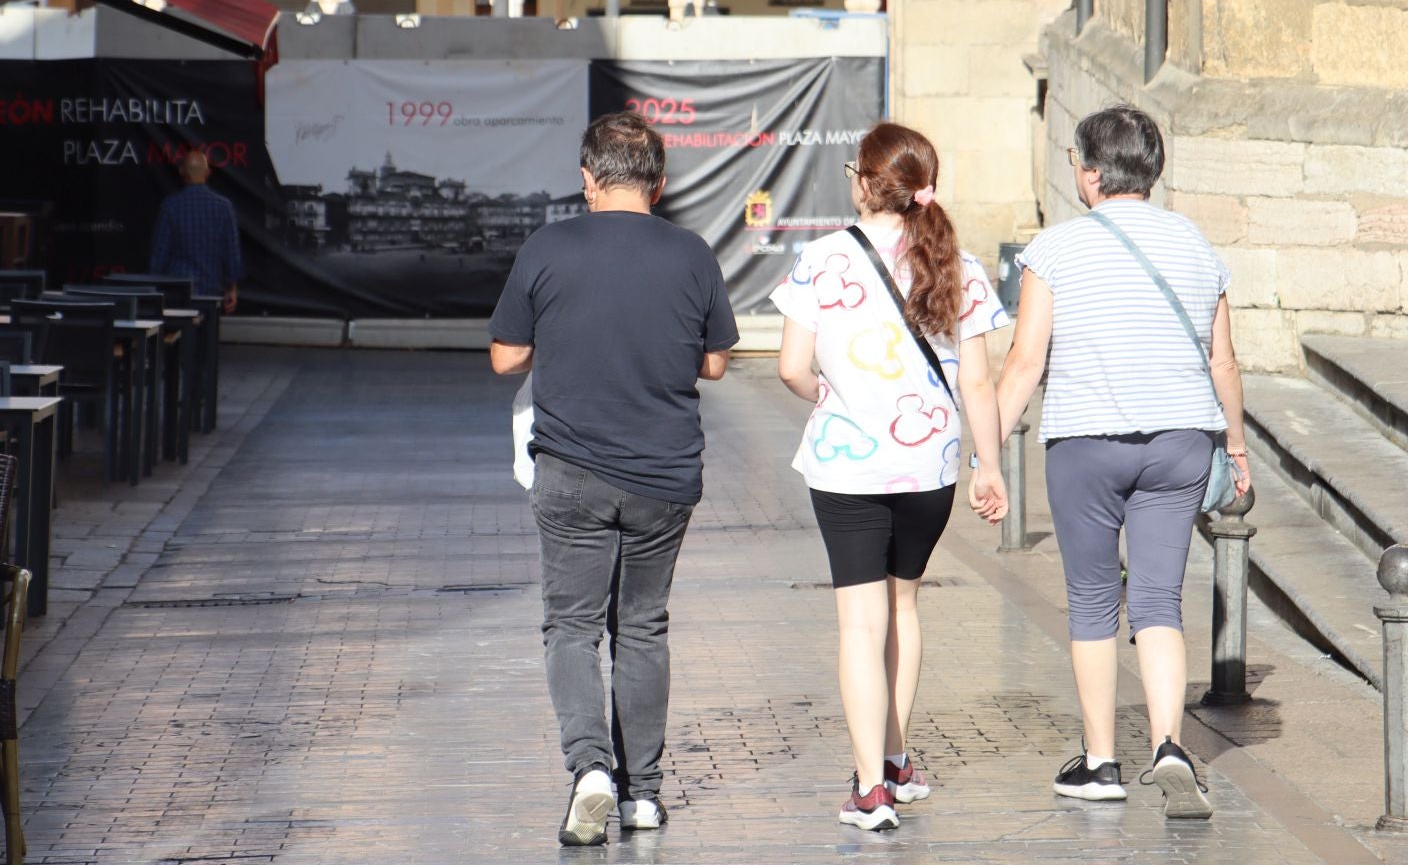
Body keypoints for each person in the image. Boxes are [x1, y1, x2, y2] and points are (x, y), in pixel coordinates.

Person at [994, 105, 1251, 819]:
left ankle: (1101, 761)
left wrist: (984, 452)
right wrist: (1235, 444)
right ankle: (1169, 744)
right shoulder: (1197, 245)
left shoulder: (1055, 248)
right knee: (1160, 600)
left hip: (1086, 443)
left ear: (1091, 173)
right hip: (1181, 443)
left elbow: (1024, 362)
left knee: (1092, 601)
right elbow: (1223, 361)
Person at [489, 111, 738, 846]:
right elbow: (717, 361)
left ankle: (591, 769)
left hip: (570, 470)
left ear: (587, 178)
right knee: (643, 627)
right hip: (664, 473)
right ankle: (645, 796)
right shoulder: (691, 253)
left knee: (571, 626)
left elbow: (506, 358)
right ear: (659, 185)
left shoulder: (548, 246)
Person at [771, 122, 1008, 833]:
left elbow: (789, 367)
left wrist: (829, 396)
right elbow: (979, 381)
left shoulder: (821, 258)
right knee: (903, 608)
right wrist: (988, 466)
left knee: (858, 621)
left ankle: (870, 787)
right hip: (928, 463)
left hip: (847, 463)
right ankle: (897, 761)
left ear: (867, 183)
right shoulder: (958, 266)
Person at [149, 150, 243, 313]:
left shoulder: (170, 206)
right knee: (207, 336)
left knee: (179, 335)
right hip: (211, 290)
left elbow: (159, 256)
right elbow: (232, 253)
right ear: (208, 173)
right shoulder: (223, 207)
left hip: (177, 291)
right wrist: (232, 288)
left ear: (181, 172)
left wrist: (153, 291)